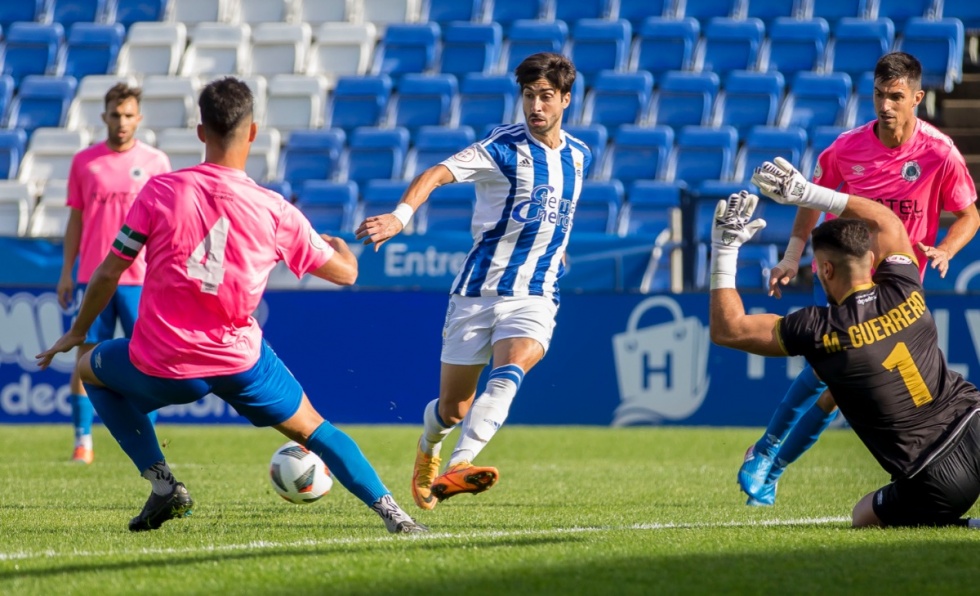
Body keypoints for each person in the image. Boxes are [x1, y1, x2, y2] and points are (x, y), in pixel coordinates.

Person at [36, 77, 427, 534]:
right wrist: (342, 250)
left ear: (201, 132)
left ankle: (163, 485)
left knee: (89, 370)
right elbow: (347, 275)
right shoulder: (274, 209)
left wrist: (79, 331)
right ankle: (395, 516)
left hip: (164, 362)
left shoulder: (161, 191)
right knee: (316, 431)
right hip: (238, 360)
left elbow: (107, 271)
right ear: (253, 133)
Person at [738, 51, 979, 505]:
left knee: (837, 391)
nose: (885, 106)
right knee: (825, 375)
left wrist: (947, 248)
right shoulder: (846, 150)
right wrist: (792, 256)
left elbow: (969, 214)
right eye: (878, 95)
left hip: (901, 285)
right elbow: (810, 199)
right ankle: (767, 454)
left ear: (917, 99)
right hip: (848, 278)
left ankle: (770, 461)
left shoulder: (938, 151)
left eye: (896, 97)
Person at [355, 52, 592, 511]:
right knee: (453, 409)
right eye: (528, 96)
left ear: (565, 99)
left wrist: (554, 250)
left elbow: (556, 216)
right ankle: (430, 447)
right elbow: (436, 174)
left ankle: (458, 467)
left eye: (546, 96)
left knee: (513, 367)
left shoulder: (580, 156)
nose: (536, 106)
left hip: (535, 294)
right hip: (476, 294)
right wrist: (402, 217)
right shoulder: (501, 148)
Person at [711, 158, 980, 528]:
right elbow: (887, 221)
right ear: (871, 260)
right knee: (827, 394)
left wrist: (723, 250)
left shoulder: (820, 329)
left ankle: (966, 526)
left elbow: (729, 329)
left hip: (935, 478)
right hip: (975, 422)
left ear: (825, 270)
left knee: (862, 516)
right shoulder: (904, 287)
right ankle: (770, 460)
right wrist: (808, 193)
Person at [57, 83, 171, 464]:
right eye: (114, 114)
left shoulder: (156, 163)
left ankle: (148, 444)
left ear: (138, 118)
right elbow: (75, 219)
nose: (121, 122)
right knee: (86, 358)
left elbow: (168, 224)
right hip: (94, 276)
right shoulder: (84, 162)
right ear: (104, 116)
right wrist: (66, 272)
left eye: (128, 115)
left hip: (141, 280)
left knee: (148, 362)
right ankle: (82, 442)